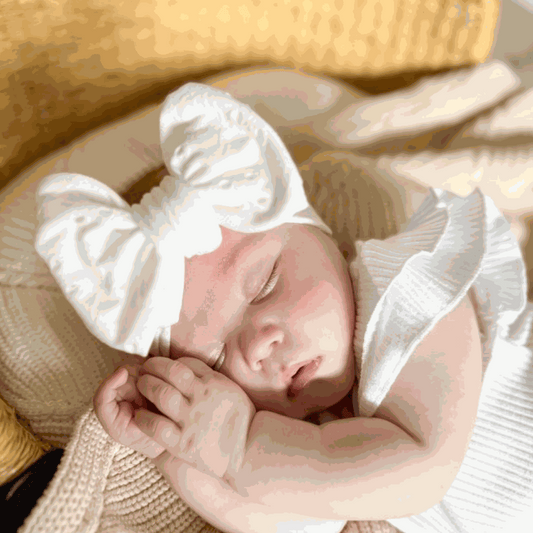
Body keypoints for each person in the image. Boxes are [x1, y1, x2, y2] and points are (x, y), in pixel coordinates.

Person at [36, 83, 533, 533]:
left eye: (264, 285)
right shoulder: (305, 440)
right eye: (214, 359)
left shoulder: (408, 291)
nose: (256, 345)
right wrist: (176, 445)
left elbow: (423, 468)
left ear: (323, 238)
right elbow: (301, 525)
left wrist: (241, 446)